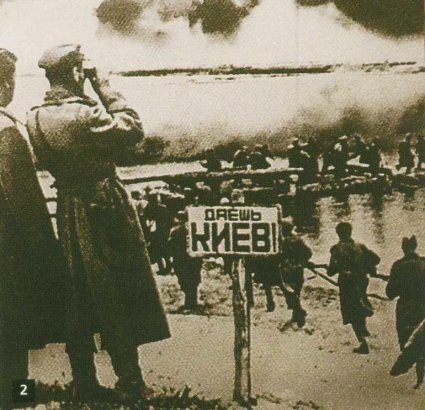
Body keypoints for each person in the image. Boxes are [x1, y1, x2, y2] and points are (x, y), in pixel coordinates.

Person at [26, 44, 170, 403]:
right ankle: (131, 381)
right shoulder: (84, 114)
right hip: (105, 209)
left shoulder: (35, 118)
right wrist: (103, 86)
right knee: (116, 289)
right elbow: (132, 129)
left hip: (68, 211)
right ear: (76, 72)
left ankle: (85, 381)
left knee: (77, 295)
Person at [0, 48, 68, 410]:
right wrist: (46, 257)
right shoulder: (7, 135)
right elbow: (27, 207)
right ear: (3, 85)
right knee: (13, 341)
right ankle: (19, 402)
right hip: (7, 259)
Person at [328, 222, 380, 354]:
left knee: (352, 312)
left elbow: (331, 271)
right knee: (360, 301)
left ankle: (363, 343)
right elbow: (376, 259)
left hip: (347, 284)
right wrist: (367, 268)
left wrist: (337, 267)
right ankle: (364, 328)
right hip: (362, 280)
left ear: (338, 234)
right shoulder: (360, 246)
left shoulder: (336, 249)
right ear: (350, 232)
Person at [386, 236, 425, 389]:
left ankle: (417, 372)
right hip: (423, 306)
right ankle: (420, 378)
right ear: (416, 246)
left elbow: (390, 293)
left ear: (403, 248)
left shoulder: (398, 266)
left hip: (406, 309)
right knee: (421, 339)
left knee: (407, 342)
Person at [169, 211, 203, 311]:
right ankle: (192, 303)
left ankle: (190, 304)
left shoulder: (176, 231)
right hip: (194, 260)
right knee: (193, 282)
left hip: (181, 260)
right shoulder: (196, 229)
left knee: (185, 282)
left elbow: (171, 246)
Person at [280, 221, 313, 326]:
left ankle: (299, 314)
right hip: (298, 270)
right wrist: (301, 262)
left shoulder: (281, 242)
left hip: (287, 271)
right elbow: (308, 253)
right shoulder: (298, 240)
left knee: (289, 293)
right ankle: (296, 314)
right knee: (296, 292)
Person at [143, 192, 173, 275]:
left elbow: (169, 220)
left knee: (161, 250)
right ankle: (165, 268)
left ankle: (166, 267)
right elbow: (146, 218)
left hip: (161, 232)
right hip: (157, 232)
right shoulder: (151, 208)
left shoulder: (160, 208)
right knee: (159, 250)